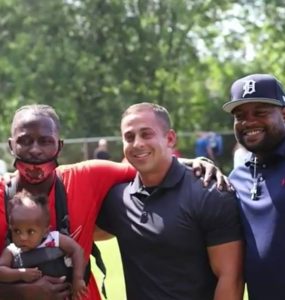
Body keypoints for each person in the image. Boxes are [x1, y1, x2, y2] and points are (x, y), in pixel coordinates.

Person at [0, 104, 227, 300]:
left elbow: (149, 164)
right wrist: (19, 293)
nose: (35, 150)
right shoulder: (2, 193)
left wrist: (196, 162)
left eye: (45, 141)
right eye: (25, 141)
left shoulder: (86, 177)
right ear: (11, 146)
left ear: (59, 146)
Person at [96, 102, 244, 300]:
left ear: (170, 138)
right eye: (129, 137)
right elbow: (84, 232)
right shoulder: (118, 198)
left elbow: (230, 278)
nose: (137, 143)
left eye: (146, 134)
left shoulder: (210, 192)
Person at [222, 73, 285, 299]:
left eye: (260, 112)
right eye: (240, 116)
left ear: (283, 113)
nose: (249, 122)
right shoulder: (237, 177)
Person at [0, 191, 87, 299]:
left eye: (30, 231)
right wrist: (20, 274)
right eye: (17, 231)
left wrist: (78, 278)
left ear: (45, 231)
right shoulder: (12, 251)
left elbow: (76, 250)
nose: (22, 237)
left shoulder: (54, 239)